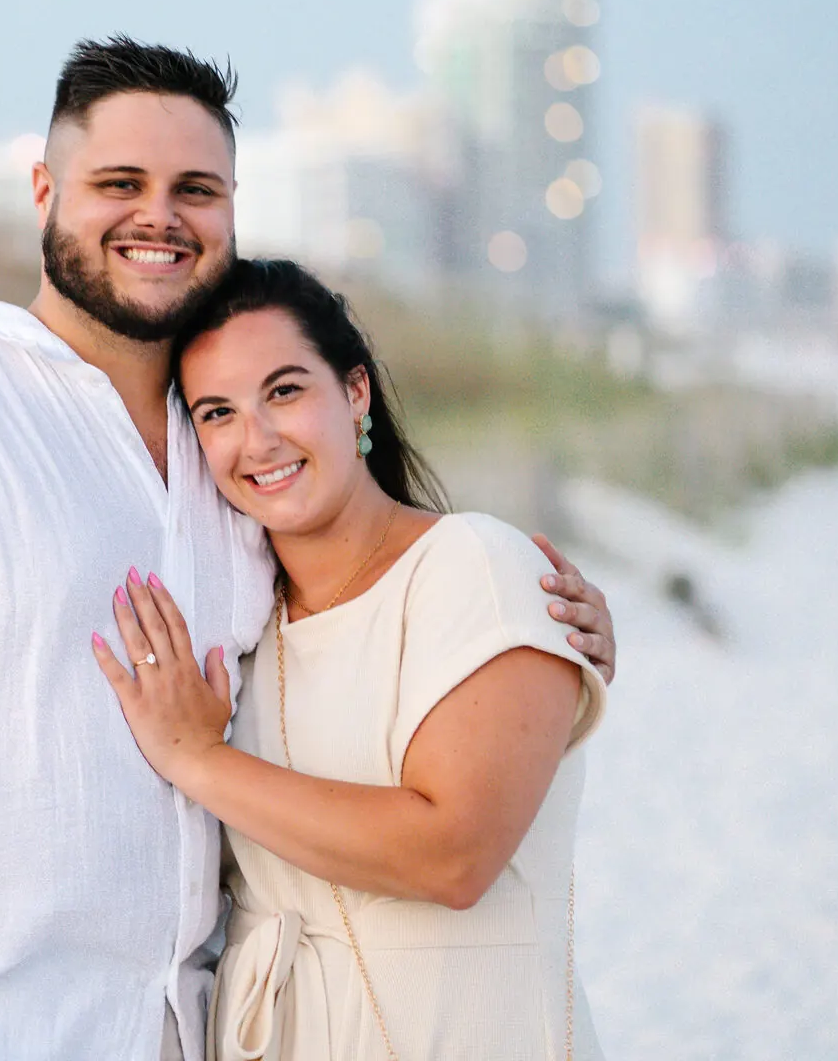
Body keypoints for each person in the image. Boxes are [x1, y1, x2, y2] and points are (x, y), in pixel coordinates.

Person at [0, 37, 617, 1061]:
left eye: (197, 188)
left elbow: (364, 628)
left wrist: (539, 634)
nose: (160, 217)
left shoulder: (228, 464)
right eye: (119, 183)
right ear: (45, 190)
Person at [94, 257, 610, 1060]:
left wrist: (198, 760)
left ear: (356, 392)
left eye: (286, 391)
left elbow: (455, 855)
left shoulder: (473, 567)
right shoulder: (237, 626)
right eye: (217, 412)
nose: (256, 439)